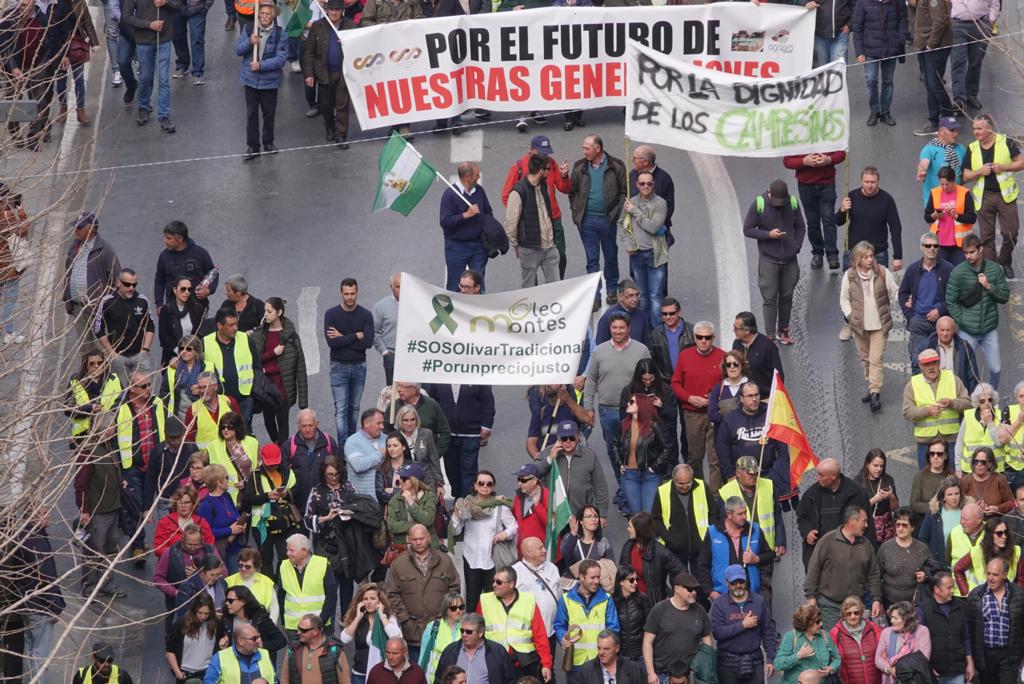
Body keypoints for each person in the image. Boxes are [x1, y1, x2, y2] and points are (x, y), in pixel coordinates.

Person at [584, 313, 651, 498]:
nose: (618, 331)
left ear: (628, 328)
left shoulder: (641, 350)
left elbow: (650, 378)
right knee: (614, 451)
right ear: (610, 329)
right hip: (608, 410)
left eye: (622, 328)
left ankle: (635, 487)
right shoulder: (599, 352)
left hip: (635, 411)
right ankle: (624, 487)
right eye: (615, 328)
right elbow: (591, 380)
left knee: (636, 448)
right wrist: (588, 407)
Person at [743, 179, 806, 344]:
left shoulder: (792, 202)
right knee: (770, 297)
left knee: (787, 296)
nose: (779, 205)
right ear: (769, 194)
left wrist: (797, 246)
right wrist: (768, 235)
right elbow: (748, 229)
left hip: (790, 259)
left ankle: (783, 331)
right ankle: (770, 335)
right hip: (769, 259)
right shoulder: (759, 204)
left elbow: (800, 226)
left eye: (781, 202)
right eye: (776, 201)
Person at [73, 411, 129, 597]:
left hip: (113, 509)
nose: (115, 428)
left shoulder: (108, 446)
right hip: (98, 512)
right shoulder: (89, 452)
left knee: (110, 550)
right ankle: (89, 588)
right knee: (93, 552)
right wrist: (85, 511)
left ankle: (106, 585)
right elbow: (80, 485)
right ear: (105, 428)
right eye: (112, 425)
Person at [384, 524, 461, 659]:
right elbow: (392, 594)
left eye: (421, 538)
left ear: (428, 538)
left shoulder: (444, 561)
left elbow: (454, 589)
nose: (418, 542)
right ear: (409, 539)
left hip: (440, 629)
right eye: (414, 539)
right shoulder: (398, 564)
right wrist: (405, 619)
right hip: (412, 633)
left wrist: (445, 617)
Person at [962, 114, 1024, 280]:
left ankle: (1004, 260)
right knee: (986, 238)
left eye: (979, 128)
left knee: (1011, 232)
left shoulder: (1006, 141)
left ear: (990, 128)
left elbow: (1021, 162)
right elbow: (966, 175)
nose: (976, 132)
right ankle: (993, 270)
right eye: (974, 128)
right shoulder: (972, 148)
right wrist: (979, 172)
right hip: (984, 197)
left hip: (1005, 196)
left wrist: (1003, 167)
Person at [841, 241, 901, 412]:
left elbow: (895, 292)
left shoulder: (882, 272)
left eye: (871, 256)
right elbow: (844, 299)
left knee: (876, 360)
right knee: (865, 359)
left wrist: (904, 301)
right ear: (857, 259)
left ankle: (875, 393)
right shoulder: (850, 276)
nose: (869, 260)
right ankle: (871, 385)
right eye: (865, 257)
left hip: (879, 326)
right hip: (859, 326)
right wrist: (850, 315)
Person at [570, 134, 628, 308]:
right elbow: (573, 191)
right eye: (584, 148)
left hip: (607, 220)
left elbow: (623, 191)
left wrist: (616, 213)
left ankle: (611, 289)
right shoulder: (579, 166)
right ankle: (595, 294)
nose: (584, 151)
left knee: (610, 255)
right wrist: (576, 210)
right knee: (592, 259)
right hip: (587, 221)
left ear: (598, 149)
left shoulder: (616, 166)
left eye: (587, 148)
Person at [501, 136, 572, 279]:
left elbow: (564, 188)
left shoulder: (551, 164)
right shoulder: (519, 167)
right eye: (541, 152)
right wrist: (521, 212)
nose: (545, 156)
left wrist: (564, 176)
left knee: (560, 256)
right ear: (531, 150)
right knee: (531, 263)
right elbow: (506, 196)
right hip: (531, 223)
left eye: (546, 152)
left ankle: (558, 287)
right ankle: (535, 295)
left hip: (553, 219)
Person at [804, 505, 883, 630]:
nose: (867, 525)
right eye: (864, 521)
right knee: (833, 644)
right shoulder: (827, 541)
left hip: (856, 607)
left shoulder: (866, 545)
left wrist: (876, 599)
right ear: (852, 521)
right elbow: (814, 569)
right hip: (830, 606)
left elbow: (873, 574)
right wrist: (811, 597)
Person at [947, 234, 1009, 391]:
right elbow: (951, 300)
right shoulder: (958, 273)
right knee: (965, 372)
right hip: (968, 333)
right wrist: (962, 321)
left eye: (971, 252)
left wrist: (988, 286)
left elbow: (1004, 296)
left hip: (989, 330)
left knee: (996, 369)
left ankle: (991, 397)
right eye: (965, 253)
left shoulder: (995, 270)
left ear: (980, 249)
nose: (968, 256)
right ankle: (968, 403)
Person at [116, 370, 167, 563]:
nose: (148, 389)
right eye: (143, 386)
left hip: (155, 464)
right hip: (132, 466)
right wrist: (120, 471)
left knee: (155, 504)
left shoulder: (156, 403)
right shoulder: (121, 408)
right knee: (136, 507)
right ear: (132, 389)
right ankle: (138, 545)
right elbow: (115, 441)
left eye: (148, 385)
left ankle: (165, 543)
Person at [671, 321, 725, 489]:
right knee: (695, 456)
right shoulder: (685, 356)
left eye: (707, 337)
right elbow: (675, 383)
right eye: (700, 337)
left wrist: (717, 398)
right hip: (693, 414)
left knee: (715, 458)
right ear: (694, 337)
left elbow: (729, 383)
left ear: (713, 338)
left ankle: (715, 496)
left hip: (716, 414)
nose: (703, 341)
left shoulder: (723, 356)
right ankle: (699, 490)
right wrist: (689, 398)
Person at [450, 469, 515, 608]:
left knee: (493, 598)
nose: (485, 486)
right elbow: (455, 530)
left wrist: (505, 534)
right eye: (481, 483)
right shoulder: (466, 506)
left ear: (493, 487)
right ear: (475, 486)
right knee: (472, 597)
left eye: (489, 484)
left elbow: (514, 527)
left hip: (492, 558)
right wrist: (456, 514)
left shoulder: (500, 507)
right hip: (471, 557)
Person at [715, 382, 790, 499]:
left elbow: (783, 448)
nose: (754, 399)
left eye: (757, 395)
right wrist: (730, 475)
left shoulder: (770, 415)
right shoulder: (730, 420)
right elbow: (722, 449)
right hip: (742, 479)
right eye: (750, 396)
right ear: (741, 398)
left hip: (769, 476)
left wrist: (779, 471)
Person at [477, 566, 553, 681]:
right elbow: (476, 633)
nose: (494, 585)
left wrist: (546, 664)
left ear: (511, 584)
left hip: (523, 663)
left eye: (498, 582)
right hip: (494, 661)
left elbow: (540, 634)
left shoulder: (529, 601)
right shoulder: (484, 600)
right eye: (493, 581)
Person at [250, 297, 308, 443]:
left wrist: (303, 403)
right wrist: (273, 353)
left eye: (269, 311)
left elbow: (300, 368)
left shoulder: (291, 337)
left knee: (283, 421)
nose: (266, 315)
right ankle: (277, 445)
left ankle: (282, 451)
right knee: (269, 420)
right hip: (266, 387)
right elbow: (254, 360)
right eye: (265, 311)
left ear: (279, 312)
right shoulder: (259, 335)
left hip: (284, 387)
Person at [903, 348, 973, 468]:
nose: (931, 367)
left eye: (934, 363)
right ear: (920, 366)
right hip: (926, 441)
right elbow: (907, 412)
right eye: (927, 364)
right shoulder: (913, 384)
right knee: (926, 479)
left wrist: (952, 403)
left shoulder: (952, 379)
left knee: (952, 478)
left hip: (950, 440)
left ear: (939, 363)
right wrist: (927, 411)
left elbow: (969, 404)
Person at [324, 278, 374, 445]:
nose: (350, 297)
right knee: (341, 409)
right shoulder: (331, 314)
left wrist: (343, 337)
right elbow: (332, 343)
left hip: (359, 367)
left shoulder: (366, 315)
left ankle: (352, 444)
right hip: (338, 367)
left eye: (352, 293)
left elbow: (367, 343)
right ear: (341, 293)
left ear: (357, 292)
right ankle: (343, 448)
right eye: (346, 294)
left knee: (354, 408)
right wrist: (355, 336)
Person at [710, 564, 779, 684]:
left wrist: (770, 659)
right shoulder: (719, 604)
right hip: (727, 662)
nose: (738, 586)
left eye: (741, 581)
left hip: (754, 660)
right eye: (733, 583)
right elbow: (717, 633)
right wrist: (742, 625)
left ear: (746, 580)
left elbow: (768, 632)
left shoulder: (758, 601)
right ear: (727, 583)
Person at [424, 382, 494, 499]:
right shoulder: (439, 378)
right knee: (451, 468)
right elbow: (432, 401)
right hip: (447, 433)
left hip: (471, 433)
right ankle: (457, 495)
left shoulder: (478, 377)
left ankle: (466, 501)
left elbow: (488, 402)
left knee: (468, 469)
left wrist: (486, 425)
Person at [301, 0, 356, 148]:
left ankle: (341, 135)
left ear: (342, 11)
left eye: (337, 10)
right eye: (331, 10)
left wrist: (347, 44)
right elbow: (309, 53)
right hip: (324, 72)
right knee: (326, 105)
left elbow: (358, 52)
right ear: (326, 10)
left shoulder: (350, 27)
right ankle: (330, 128)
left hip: (343, 73)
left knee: (342, 106)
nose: (333, 13)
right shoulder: (317, 26)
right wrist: (309, 74)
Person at [236, 0, 287, 159]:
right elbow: (238, 50)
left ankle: (268, 142)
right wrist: (249, 42)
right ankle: (253, 145)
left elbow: (281, 59)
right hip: (250, 80)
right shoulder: (249, 29)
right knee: (251, 113)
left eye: (268, 14)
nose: (264, 17)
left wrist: (261, 65)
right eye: (262, 13)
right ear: (258, 14)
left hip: (270, 82)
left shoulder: (280, 34)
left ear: (273, 16)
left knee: (269, 113)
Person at [698, 497, 775, 602]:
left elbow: (769, 555)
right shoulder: (713, 532)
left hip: (751, 594)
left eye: (745, 513)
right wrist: (710, 592)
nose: (744, 517)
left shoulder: (754, 529)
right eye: (740, 514)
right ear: (729, 514)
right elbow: (703, 565)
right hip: (723, 595)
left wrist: (756, 559)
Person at [619, 170, 669, 327]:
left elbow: (653, 227)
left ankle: (657, 332)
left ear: (653, 185)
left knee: (655, 296)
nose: (646, 186)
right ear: (637, 185)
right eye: (642, 183)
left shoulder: (660, 203)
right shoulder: (630, 201)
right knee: (641, 296)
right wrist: (627, 244)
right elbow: (621, 223)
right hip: (636, 254)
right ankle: (644, 329)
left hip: (655, 255)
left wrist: (635, 211)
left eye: (649, 183)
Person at [533, 421, 610, 522]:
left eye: (572, 438)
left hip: (581, 516)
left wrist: (602, 513)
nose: (568, 441)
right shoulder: (546, 453)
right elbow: (532, 474)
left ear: (578, 437)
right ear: (558, 438)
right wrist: (550, 459)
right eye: (564, 438)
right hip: (554, 516)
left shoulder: (590, 456)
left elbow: (600, 486)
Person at [555, 559, 620, 677]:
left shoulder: (607, 598)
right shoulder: (566, 599)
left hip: (599, 660)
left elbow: (613, 629)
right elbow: (559, 625)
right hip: (574, 661)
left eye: (598, 577)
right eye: (592, 577)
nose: (596, 581)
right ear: (581, 577)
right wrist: (562, 638)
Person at [123, 0, 182, 133]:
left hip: (164, 39)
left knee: (164, 80)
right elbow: (126, 17)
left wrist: (166, 2)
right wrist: (149, 25)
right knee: (145, 77)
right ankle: (143, 107)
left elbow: (179, 6)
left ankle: (164, 115)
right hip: (143, 41)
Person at [782, 150, 846, 271]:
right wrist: (803, 161)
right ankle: (817, 253)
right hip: (805, 185)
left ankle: (832, 254)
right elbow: (787, 161)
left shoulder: (829, 132)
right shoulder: (797, 136)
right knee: (812, 222)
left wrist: (828, 160)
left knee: (828, 220)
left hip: (826, 183)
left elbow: (842, 153)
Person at [62, 214, 121, 342]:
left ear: (91, 229)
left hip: (97, 309)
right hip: (78, 307)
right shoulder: (74, 247)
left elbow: (117, 279)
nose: (76, 230)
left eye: (79, 227)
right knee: (85, 349)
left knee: (102, 347)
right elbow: (68, 272)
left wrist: (107, 305)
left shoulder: (105, 250)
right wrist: (67, 298)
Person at [505, 152, 561, 289]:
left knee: (556, 287)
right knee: (529, 287)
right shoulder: (518, 192)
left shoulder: (543, 186)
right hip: (530, 248)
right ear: (541, 171)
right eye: (548, 169)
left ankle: (554, 309)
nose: (550, 171)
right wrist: (516, 245)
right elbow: (511, 224)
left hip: (549, 247)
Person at [652, 464, 720, 576]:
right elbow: (656, 519)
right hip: (675, 550)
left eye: (688, 483)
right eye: (680, 484)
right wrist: (669, 539)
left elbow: (713, 512)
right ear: (674, 480)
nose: (685, 486)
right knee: (680, 585)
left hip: (700, 548)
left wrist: (709, 536)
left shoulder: (702, 486)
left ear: (692, 478)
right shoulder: (662, 491)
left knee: (702, 583)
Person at [642, 571, 710, 683]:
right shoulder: (659, 610)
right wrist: (651, 673)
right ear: (677, 589)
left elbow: (706, 638)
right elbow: (647, 642)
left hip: (691, 674)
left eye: (695, 589)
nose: (693, 592)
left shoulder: (699, 610)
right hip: (662, 674)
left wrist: (705, 665)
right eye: (689, 589)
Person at [965, 557, 1024, 684]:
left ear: (1004, 575)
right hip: (985, 656)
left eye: (995, 575)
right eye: (988, 573)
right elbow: (969, 630)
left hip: (1010, 654)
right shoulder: (976, 595)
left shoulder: (1019, 594)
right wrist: (970, 659)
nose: (990, 578)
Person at [835, 167, 904, 274]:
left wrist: (897, 256)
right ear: (861, 181)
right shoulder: (852, 196)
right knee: (852, 288)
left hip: (878, 254)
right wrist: (842, 210)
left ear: (878, 182)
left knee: (878, 289)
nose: (870, 185)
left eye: (873, 182)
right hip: (853, 252)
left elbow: (896, 229)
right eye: (866, 182)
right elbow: (838, 222)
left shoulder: (887, 200)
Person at [439, 162, 493, 292]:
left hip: (478, 246)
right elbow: (444, 221)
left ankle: (479, 310)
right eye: (476, 175)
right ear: (467, 177)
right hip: (457, 247)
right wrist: (465, 215)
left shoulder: (479, 191)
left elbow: (488, 212)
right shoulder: (450, 195)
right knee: (455, 284)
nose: (478, 177)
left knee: (478, 284)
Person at [900, 235, 955, 362]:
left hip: (941, 323)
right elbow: (903, 293)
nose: (932, 248)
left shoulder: (948, 269)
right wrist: (910, 316)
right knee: (917, 360)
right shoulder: (913, 270)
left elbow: (955, 296)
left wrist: (940, 310)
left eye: (935, 246)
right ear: (921, 247)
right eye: (928, 245)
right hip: (918, 321)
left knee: (943, 362)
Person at [851, 0, 906, 126]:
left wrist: (900, 39)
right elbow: (857, 28)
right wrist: (859, 52)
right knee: (871, 80)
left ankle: (885, 112)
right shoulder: (863, 2)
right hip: (870, 49)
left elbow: (903, 21)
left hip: (891, 48)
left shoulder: (898, 2)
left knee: (888, 81)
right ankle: (874, 111)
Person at [203, 308, 262, 424]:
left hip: (244, 398)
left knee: (244, 431)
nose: (235, 328)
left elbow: (257, 367)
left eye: (236, 324)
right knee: (224, 431)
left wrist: (254, 393)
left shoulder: (246, 339)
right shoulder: (205, 342)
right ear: (220, 325)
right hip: (219, 399)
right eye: (231, 325)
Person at [97, 268, 155, 384]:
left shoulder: (142, 300)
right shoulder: (107, 301)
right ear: (119, 282)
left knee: (144, 390)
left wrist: (145, 350)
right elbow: (98, 328)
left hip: (139, 355)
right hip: (118, 355)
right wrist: (111, 353)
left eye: (134, 285)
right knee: (121, 394)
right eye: (127, 284)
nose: (131, 288)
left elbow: (150, 325)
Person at [616, 394, 671, 516]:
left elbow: (667, 447)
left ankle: (649, 535)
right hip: (630, 474)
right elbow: (615, 444)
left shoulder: (654, 425)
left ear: (641, 405)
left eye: (632, 402)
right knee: (636, 514)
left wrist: (655, 467)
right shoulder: (624, 424)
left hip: (650, 475)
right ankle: (638, 535)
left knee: (649, 513)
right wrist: (620, 463)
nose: (627, 404)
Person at [917, 571, 975, 684]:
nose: (952, 591)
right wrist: (927, 668)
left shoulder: (961, 607)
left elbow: (966, 638)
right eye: (949, 588)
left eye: (952, 587)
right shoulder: (923, 610)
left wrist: (970, 664)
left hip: (957, 670)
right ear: (937, 589)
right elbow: (918, 643)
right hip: (934, 672)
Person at [154, 524, 218, 624]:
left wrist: (199, 575)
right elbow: (158, 579)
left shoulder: (210, 550)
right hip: (176, 606)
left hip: (205, 607)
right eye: (189, 544)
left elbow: (223, 574)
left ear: (202, 541)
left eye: (196, 545)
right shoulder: (170, 552)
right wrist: (177, 593)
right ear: (182, 540)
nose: (192, 548)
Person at [341, 582, 404, 681]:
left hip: (382, 673)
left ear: (379, 601)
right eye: (365, 599)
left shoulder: (388, 618)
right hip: (360, 674)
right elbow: (344, 639)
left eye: (373, 598)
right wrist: (357, 618)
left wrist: (382, 617)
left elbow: (398, 638)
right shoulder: (359, 619)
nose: (369, 602)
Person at [279, 532, 336, 636]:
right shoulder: (283, 566)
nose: (287, 553)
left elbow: (331, 596)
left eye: (291, 550)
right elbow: (281, 596)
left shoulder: (322, 564)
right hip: (293, 627)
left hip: (319, 626)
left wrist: (320, 622)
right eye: (287, 549)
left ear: (304, 551)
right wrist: (283, 622)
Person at [285, 409, 340, 514]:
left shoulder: (329, 443)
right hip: (299, 506)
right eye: (303, 426)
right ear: (298, 425)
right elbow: (283, 475)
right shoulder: (289, 446)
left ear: (317, 423)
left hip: (325, 505)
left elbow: (340, 469)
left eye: (310, 425)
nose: (307, 429)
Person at [152, 221, 217, 310]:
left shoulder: (200, 253)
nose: (165, 241)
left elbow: (213, 274)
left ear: (180, 238)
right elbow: (159, 281)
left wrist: (209, 290)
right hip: (173, 308)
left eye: (169, 238)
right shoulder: (164, 256)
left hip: (198, 307)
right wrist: (159, 304)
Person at [911, 0, 954, 137]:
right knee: (930, 84)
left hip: (935, 48)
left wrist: (931, 44)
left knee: (935, 84)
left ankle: (948, 121)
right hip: (925, 46)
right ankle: (934, 121)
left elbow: (940, 21)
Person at [433, 613, 515, 684]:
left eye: (469, 632)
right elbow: (439, 679)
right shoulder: (450, 651)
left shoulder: (498, 652)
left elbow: (509, 680)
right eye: (462, 631)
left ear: (480, 632)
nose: (464, 634)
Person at [623, 512, 685, 604]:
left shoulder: (660, 552)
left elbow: (682, 572)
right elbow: (622, 572)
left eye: (630, 527)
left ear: (639, 530)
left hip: (652, 603)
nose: (627, 529)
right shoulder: (628, 547)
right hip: (632, 601)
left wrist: (673, 595)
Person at [66, 349, 123, 446]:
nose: (96, 366)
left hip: (110, 433)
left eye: (100, 363)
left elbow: (123, 401)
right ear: (85, 366)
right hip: (84, 437)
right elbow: (68, 409)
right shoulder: (76, 383)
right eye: (91, 364)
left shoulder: (114, 379)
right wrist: (89, 408)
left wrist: (108, 415)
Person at [925, 166, 978, 270]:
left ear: (954, 181)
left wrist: (957, 216)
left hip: (960, 244)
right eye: (942, 184)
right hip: (939, 243)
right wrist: (934, 216)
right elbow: (927, 217)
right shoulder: (935, 193)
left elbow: (972, 218)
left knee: (958, 274)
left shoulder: (965, 193)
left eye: (947, 184)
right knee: (941, 273)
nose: (944, 187)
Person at [773, 604, 841, 684]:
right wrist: (798, 656)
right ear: (807, 623)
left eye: (820, 620)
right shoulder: (791, 637)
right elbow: (778, 664)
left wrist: (831, 669)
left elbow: (837, 658)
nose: (821, 624)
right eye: (817, 622)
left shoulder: (825, 636)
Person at [877, 507, 932, 606]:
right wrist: (877, 600)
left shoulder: (922, 548)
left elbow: (932, 569)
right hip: (889, 602)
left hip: (915, 603)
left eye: (905, 525)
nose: (900, 528)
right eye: (898, 525)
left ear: (913, 527)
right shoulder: (885, 548)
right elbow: (876, 576)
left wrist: (925, 575)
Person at [954, 517, 1023, 595]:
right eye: (999, 533)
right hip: (982, 599)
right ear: (990, 535)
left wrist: (1017, 596)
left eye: (1006, 532)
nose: (1004, 536)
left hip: (1007, 599)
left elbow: (1021, 578)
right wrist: (967, 594)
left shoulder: (1016, 551)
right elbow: (958, 569)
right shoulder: (977, 551)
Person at [198, 463, 246, 571]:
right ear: (218, 482)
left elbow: (235, 515)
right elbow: (205, 532)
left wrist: (240, 523)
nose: (228, 481)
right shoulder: (206, 505)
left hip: (237, 548)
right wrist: (230, 530)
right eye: (226, 478)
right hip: (222, 552)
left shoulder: (227, 496)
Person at [281, 614, 352, 684]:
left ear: (315, 631)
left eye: (303, 630)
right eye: (298, 628)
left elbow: (344, 680)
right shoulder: (293, 648)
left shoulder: (335, 649)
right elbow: (284, 678)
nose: (298, 632)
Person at [917, 316, 980, 394]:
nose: (945, 334)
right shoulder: (926, 346)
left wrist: (971, 398)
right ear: (936, 330)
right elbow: (917, 369)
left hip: (958, 392)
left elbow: (972, 375)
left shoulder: (964, 347)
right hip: (933, 392)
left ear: (954, 331)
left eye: (948, 330)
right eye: (942, 330)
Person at [874, 601, 932, 684]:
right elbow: (878, 658)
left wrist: (899, 670)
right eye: (891, 617)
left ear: (906, 619)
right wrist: (890, 670)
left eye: (895, 618)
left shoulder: (922, 631)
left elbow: (923, 658)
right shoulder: (886, 632)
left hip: (915, 680)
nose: (891, 621)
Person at [207, 411, 258, 503]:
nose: (225, 430)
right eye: (223, 427)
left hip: (251, 493)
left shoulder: (252, 442)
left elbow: (258, 468)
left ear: (237, 428)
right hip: (226, 496)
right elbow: (213, 473)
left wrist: (247, 483)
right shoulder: (213, 446)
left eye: (229, 427)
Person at [830, 595, 883, 684]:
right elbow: (833, 659)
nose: (853, 616)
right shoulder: (835, 632)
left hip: (875, 680)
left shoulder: (873, 627)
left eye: (856, 612)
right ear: (844, 615)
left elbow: (883, 652)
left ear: (861, 613)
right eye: (848, 613)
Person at [165, 593, 218, 681]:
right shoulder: (181, 624)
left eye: (206, 613)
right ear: (194, 610)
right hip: (186, 674)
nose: (203, 617)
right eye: (200, 613)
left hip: (207, 673)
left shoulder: (215, 624)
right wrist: (179, 674)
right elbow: (170, 651)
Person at [955, 384, 1008, 472]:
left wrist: (990, 423)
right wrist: (958, 468)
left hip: (994, 471)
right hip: (970, 470)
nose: (987, 403)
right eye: (982, 401)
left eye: (989, 400)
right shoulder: (968, 416)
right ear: (977, 402)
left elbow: (999, 443)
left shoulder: (1000, 415)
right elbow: (959, 444)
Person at [392, 407, 445, 495]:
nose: (409, 423)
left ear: (417, 420)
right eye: (406, 420)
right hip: (405, 481)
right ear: (400, 421)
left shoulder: (427, 434)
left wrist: (440, 484)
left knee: (429, 507)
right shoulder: (395, 436)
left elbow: (434, 461)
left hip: (427, 480)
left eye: (412, 420)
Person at [386, 462, 440, 547]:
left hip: (427, 547)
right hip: (403, 547)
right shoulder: (395, 499)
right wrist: (414, 526)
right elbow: (391, 526)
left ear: (414, 480)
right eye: (400, 478)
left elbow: (427, 520)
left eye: (404, 478)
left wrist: (411, 502)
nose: (400, 481)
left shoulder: (429, 497)